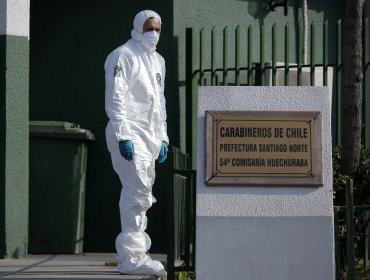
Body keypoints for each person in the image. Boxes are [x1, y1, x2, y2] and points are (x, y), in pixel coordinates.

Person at [104, 10, 169, 277]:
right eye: (149, 28)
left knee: (142, 196)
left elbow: (159, 103)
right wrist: (123, 135)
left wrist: (162, 136)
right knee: (137, 194)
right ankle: (131, 257)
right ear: (138, 28)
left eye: (157, 28)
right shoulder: (123, 55)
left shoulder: (158, 61)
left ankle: (136, 252)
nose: (154, 33)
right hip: (130, 134)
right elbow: (116, 97)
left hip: (149, 137)